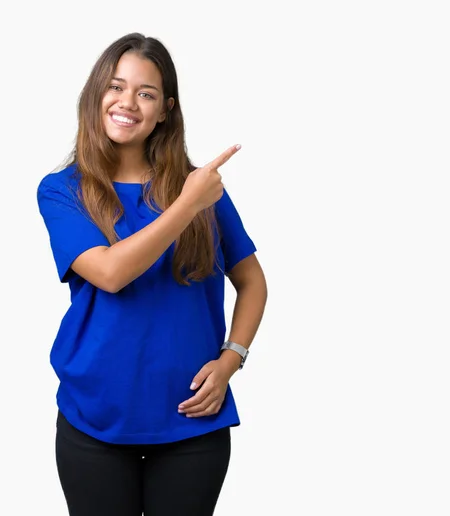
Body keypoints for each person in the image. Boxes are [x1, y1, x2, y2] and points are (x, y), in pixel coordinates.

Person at [36, 32, 268, 516]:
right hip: (93, 418)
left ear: (165, 109)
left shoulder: (200, 189)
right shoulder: (63, 191)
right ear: (95, 95)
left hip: (191, 421)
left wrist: (231, 360)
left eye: (145, 93)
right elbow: (111, 273)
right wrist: (187, 203)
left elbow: (252, 281)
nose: (128, 103)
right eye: (116, 87)